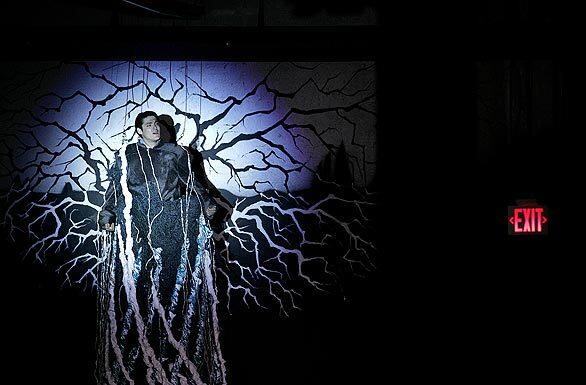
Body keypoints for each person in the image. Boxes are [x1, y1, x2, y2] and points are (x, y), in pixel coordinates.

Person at [96, 111, 227, 385]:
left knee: (170, 285)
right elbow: (116, 189)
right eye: (149, 124)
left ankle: (172, 352)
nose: (155, 128)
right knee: (137, 285)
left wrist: (206, 205)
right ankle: (137, 355)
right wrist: (107, 213)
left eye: (158, 124)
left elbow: (192, 184)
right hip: (138, 224)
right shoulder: (127, 155)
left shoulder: (176, 153)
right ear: (139, 130)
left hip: (172, 223)